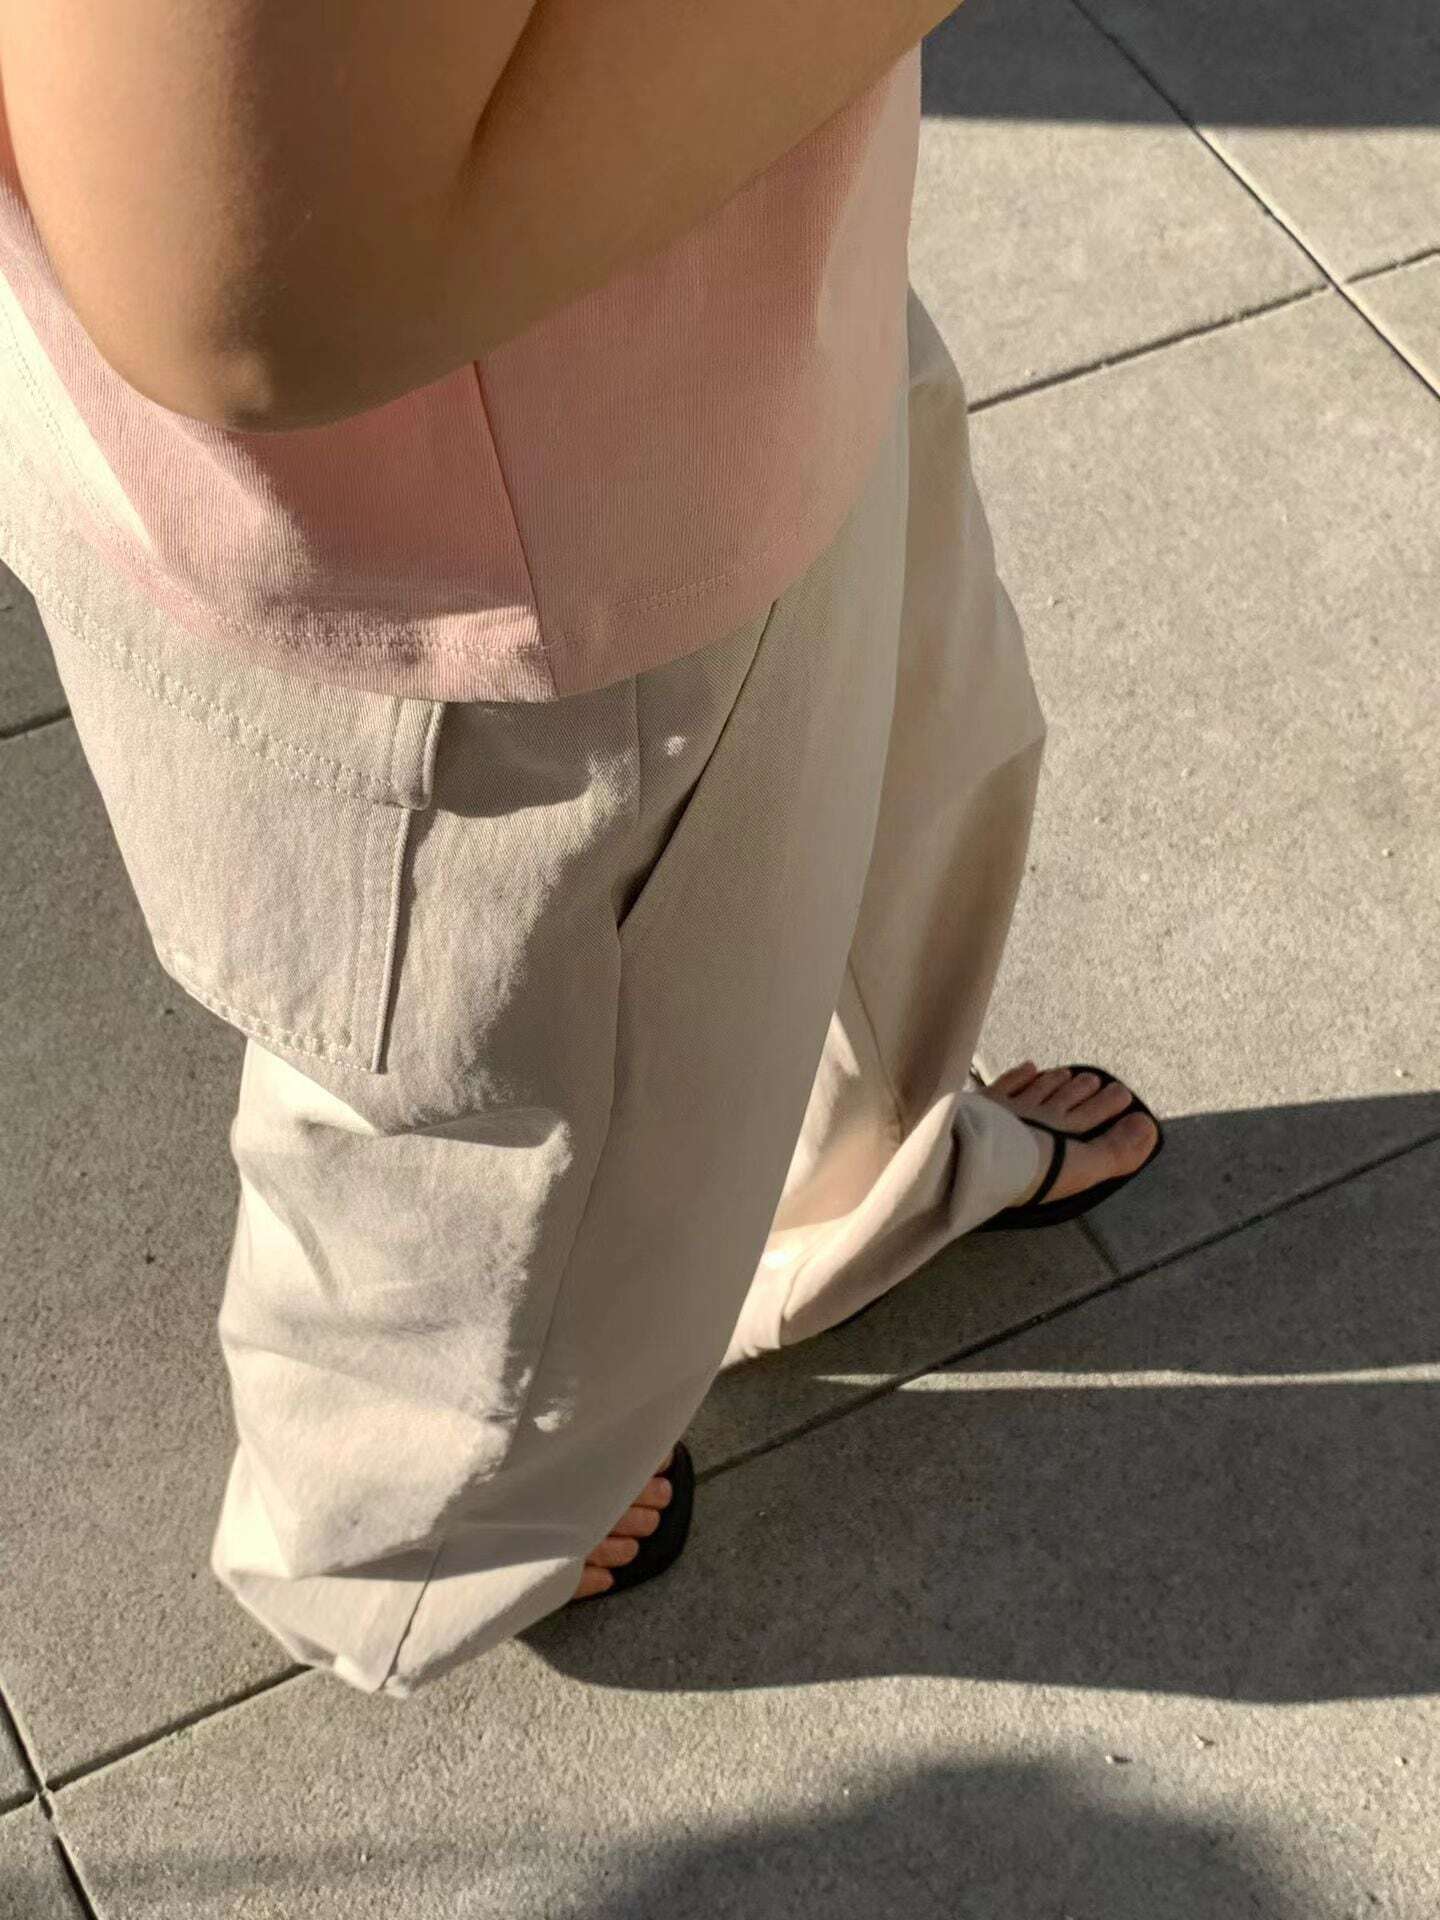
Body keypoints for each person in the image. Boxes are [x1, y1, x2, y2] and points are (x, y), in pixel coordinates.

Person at [0, 0, 1162, 1695]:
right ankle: (421, 1548)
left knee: (884, 787)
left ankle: (845, 1190)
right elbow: (243, 277)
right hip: (485, 515)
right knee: (499, 1160)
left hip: (726, 243)